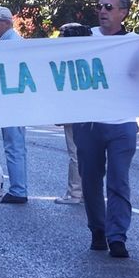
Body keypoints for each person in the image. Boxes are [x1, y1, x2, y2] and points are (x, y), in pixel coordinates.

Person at [69, 0, 139, 258]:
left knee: (119, 180)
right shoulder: (84, 37)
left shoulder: (134, 41)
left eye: (109, 7)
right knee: (90, 178)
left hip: (122, 122)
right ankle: (97, 229)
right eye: (99, 6)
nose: (102, 11)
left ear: (123, 13)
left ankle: (118, 236)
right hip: (88, 122)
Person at [0, 5, 29, 204]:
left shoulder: (10, 43)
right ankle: (19, 187)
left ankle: (19, 190)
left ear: (5, 23)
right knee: (15, 145)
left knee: (14, 146)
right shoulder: (11, 41)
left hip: (14, 103)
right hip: (14, 102)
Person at [53, 23, 91, 206]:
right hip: (89, 111)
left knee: (75, 153)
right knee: (87, 153)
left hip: (74, 112)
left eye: (62, 34)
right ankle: (87, 191)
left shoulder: (66, 59)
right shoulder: (89, 56)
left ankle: (75, 192)